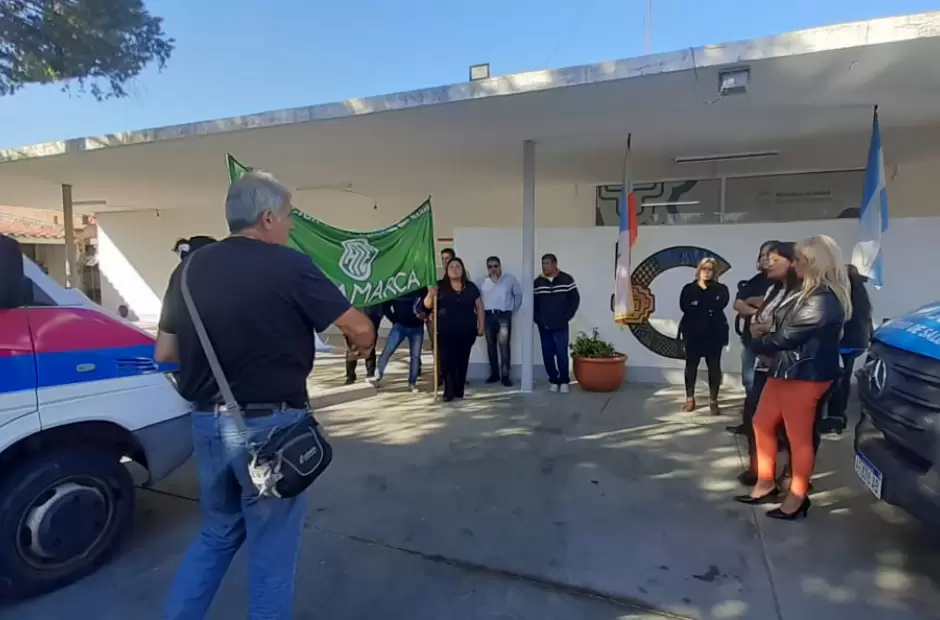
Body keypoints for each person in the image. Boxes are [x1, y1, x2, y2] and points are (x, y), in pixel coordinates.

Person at [155, 170, 374, 619]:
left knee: (217, 533)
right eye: (290, 217)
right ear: (268, 217)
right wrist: (363, 344)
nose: (291, 226)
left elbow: (165, 349)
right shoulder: (289, 265)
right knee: (271, 552)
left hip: (207, 424)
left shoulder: (189, 268)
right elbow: (359, 327)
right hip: (272, 429)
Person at [735, 235, 850, 520]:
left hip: (804, 375)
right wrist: (762, 332)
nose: (793, 264)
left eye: (797, 260)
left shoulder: (823, 297)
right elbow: (777, 326)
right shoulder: (805, 292)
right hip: (785, 370)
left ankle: (797, 498)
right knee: (761, 423)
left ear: (813, 263)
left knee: (798, 439)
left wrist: (757, 340)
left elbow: (785, 336)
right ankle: (765, 483)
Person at [735, 242, 800, 486]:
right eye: (764, 257)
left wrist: (761, 326)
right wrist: (758, 324)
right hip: (765, 367)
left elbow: (782, 328)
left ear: (792, 262)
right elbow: (753, 315)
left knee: (792, 428)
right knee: (755, 419)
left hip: (790, 370)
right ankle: (761, 473)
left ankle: (793, 478)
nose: (766, 262)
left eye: (773, 258)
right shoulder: (774, 289)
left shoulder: (803, 293)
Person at [731, 240, 778, 432]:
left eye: (770, 255)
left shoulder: (786, 283)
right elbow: (738, 304)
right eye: (762, 255)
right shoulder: (756, 280)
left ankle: (766, 426)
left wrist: (757, 304)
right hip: (750, 342)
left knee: (768, 387)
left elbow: (777, 309)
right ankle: (749, 422)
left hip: (772, 345)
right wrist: (758, 309)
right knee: (749, 382)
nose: (765, 259)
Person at [423, 257, 483, 402]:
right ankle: (448, 391)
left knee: (462, 361)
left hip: (466, 331)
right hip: (445, 331)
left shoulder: (470, 287)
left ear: (462, 270)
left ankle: (459, 389)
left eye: (458, 266)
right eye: (451, 267)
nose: (455, 269)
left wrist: (481, 326)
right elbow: (428, 305)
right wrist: (431, 293)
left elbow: (479, 307)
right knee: (446, 361)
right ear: (446, 270)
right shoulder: (440, 286)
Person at [823, 263, 872, 432]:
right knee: (845, 377)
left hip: (842, 343)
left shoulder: (843, 293)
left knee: (835, 378)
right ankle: (839, 413)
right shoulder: (862, 296)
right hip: (856, 344)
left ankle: (833, 415)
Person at [678, 257, 730, 415]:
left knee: (714, 366)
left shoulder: (721, 289)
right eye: (704, 269)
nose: (707, 272)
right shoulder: (688, 288)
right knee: (691, 366)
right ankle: (689, 398)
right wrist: (705, 304)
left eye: (710, 270)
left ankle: (713, 400)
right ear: (698, 270)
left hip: (714, 333)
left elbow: (719, 304)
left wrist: (698, 304)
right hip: (692, 332)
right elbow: (685, 306)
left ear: (714, 273)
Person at [533, 253, 580, 393]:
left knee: (561, 353)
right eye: (543, 263)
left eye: (547, 263)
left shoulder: (566, 279)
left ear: (554, 264)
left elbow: (574, 299)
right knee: (547, 354)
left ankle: (564, 380)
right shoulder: (538, 282)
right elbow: (534, 304)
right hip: (544, 325)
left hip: (561, 324)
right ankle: (554, 379)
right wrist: (539, 320)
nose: (544, 266)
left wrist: (566, 317)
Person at [374, 287, 428, 393]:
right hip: (400, 326)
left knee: (415, 356)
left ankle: (412, 383)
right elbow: (385, 306)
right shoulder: (396, 287)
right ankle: (377, 377)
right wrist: (394, 320)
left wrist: (425, 314)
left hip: (417, 327)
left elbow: (428, 304)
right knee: (387, 351)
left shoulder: (421, 287)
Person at [479, 256, 522, 386]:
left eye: (495, 266)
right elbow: (477, 300)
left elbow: (518, 296)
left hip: (504, 316)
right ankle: (494, 374)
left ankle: (505, 376)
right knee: (490, 345)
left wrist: (510, 311)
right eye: (490, 266)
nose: (493, 269)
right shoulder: (481, 282)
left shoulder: (510, 279)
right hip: (488, 316)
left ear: (500, 266)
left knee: (504, 346)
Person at [345, 303, 383, 384]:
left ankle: (370, 375)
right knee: (351, 351)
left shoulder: (374, 296)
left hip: (369, 324)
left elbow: (380, 310)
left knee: (369, 351)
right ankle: (350, 376)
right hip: (354, 325)